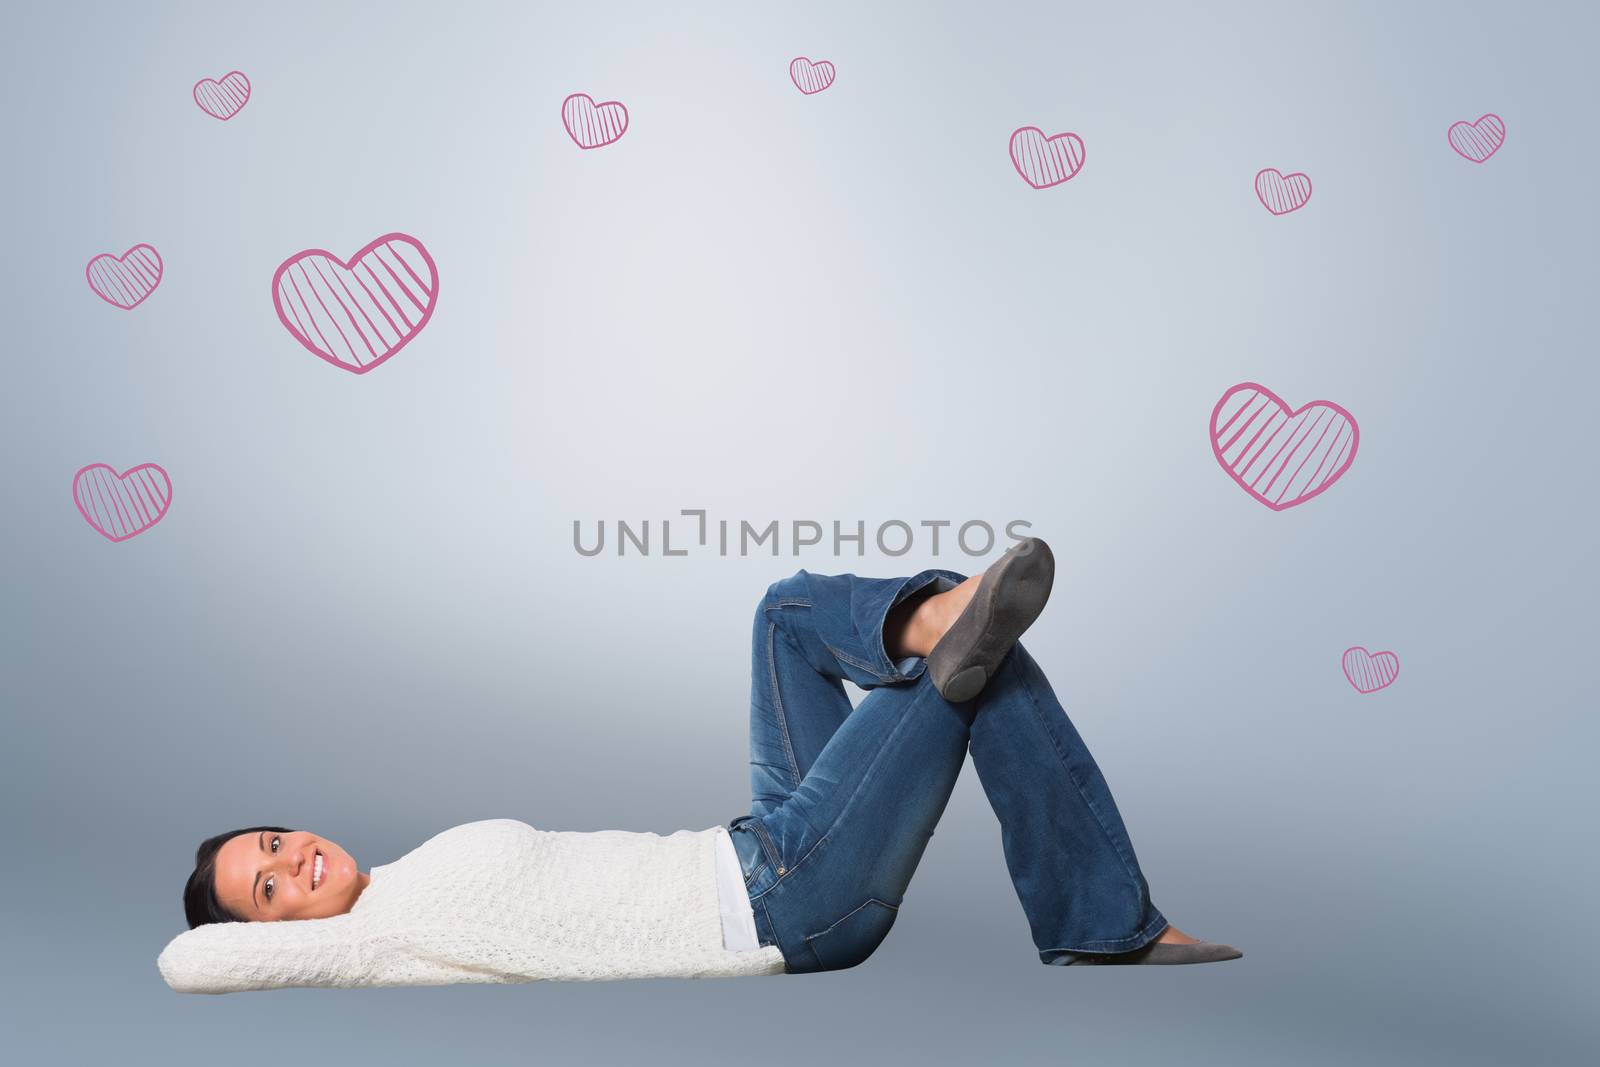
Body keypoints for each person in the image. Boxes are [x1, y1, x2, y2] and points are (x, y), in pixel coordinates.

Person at [179, 538, 1241, 974]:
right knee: (970, 666)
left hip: (753, 840)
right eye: (268, 889)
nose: (295, 862)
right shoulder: (382, 943)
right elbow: (195, 962)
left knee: (784, 611)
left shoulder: (400, 877)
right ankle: (1104, 919)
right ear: (268, 938)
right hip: (787, 898)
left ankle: (930, 619)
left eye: (275, 841)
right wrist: (233, 934)